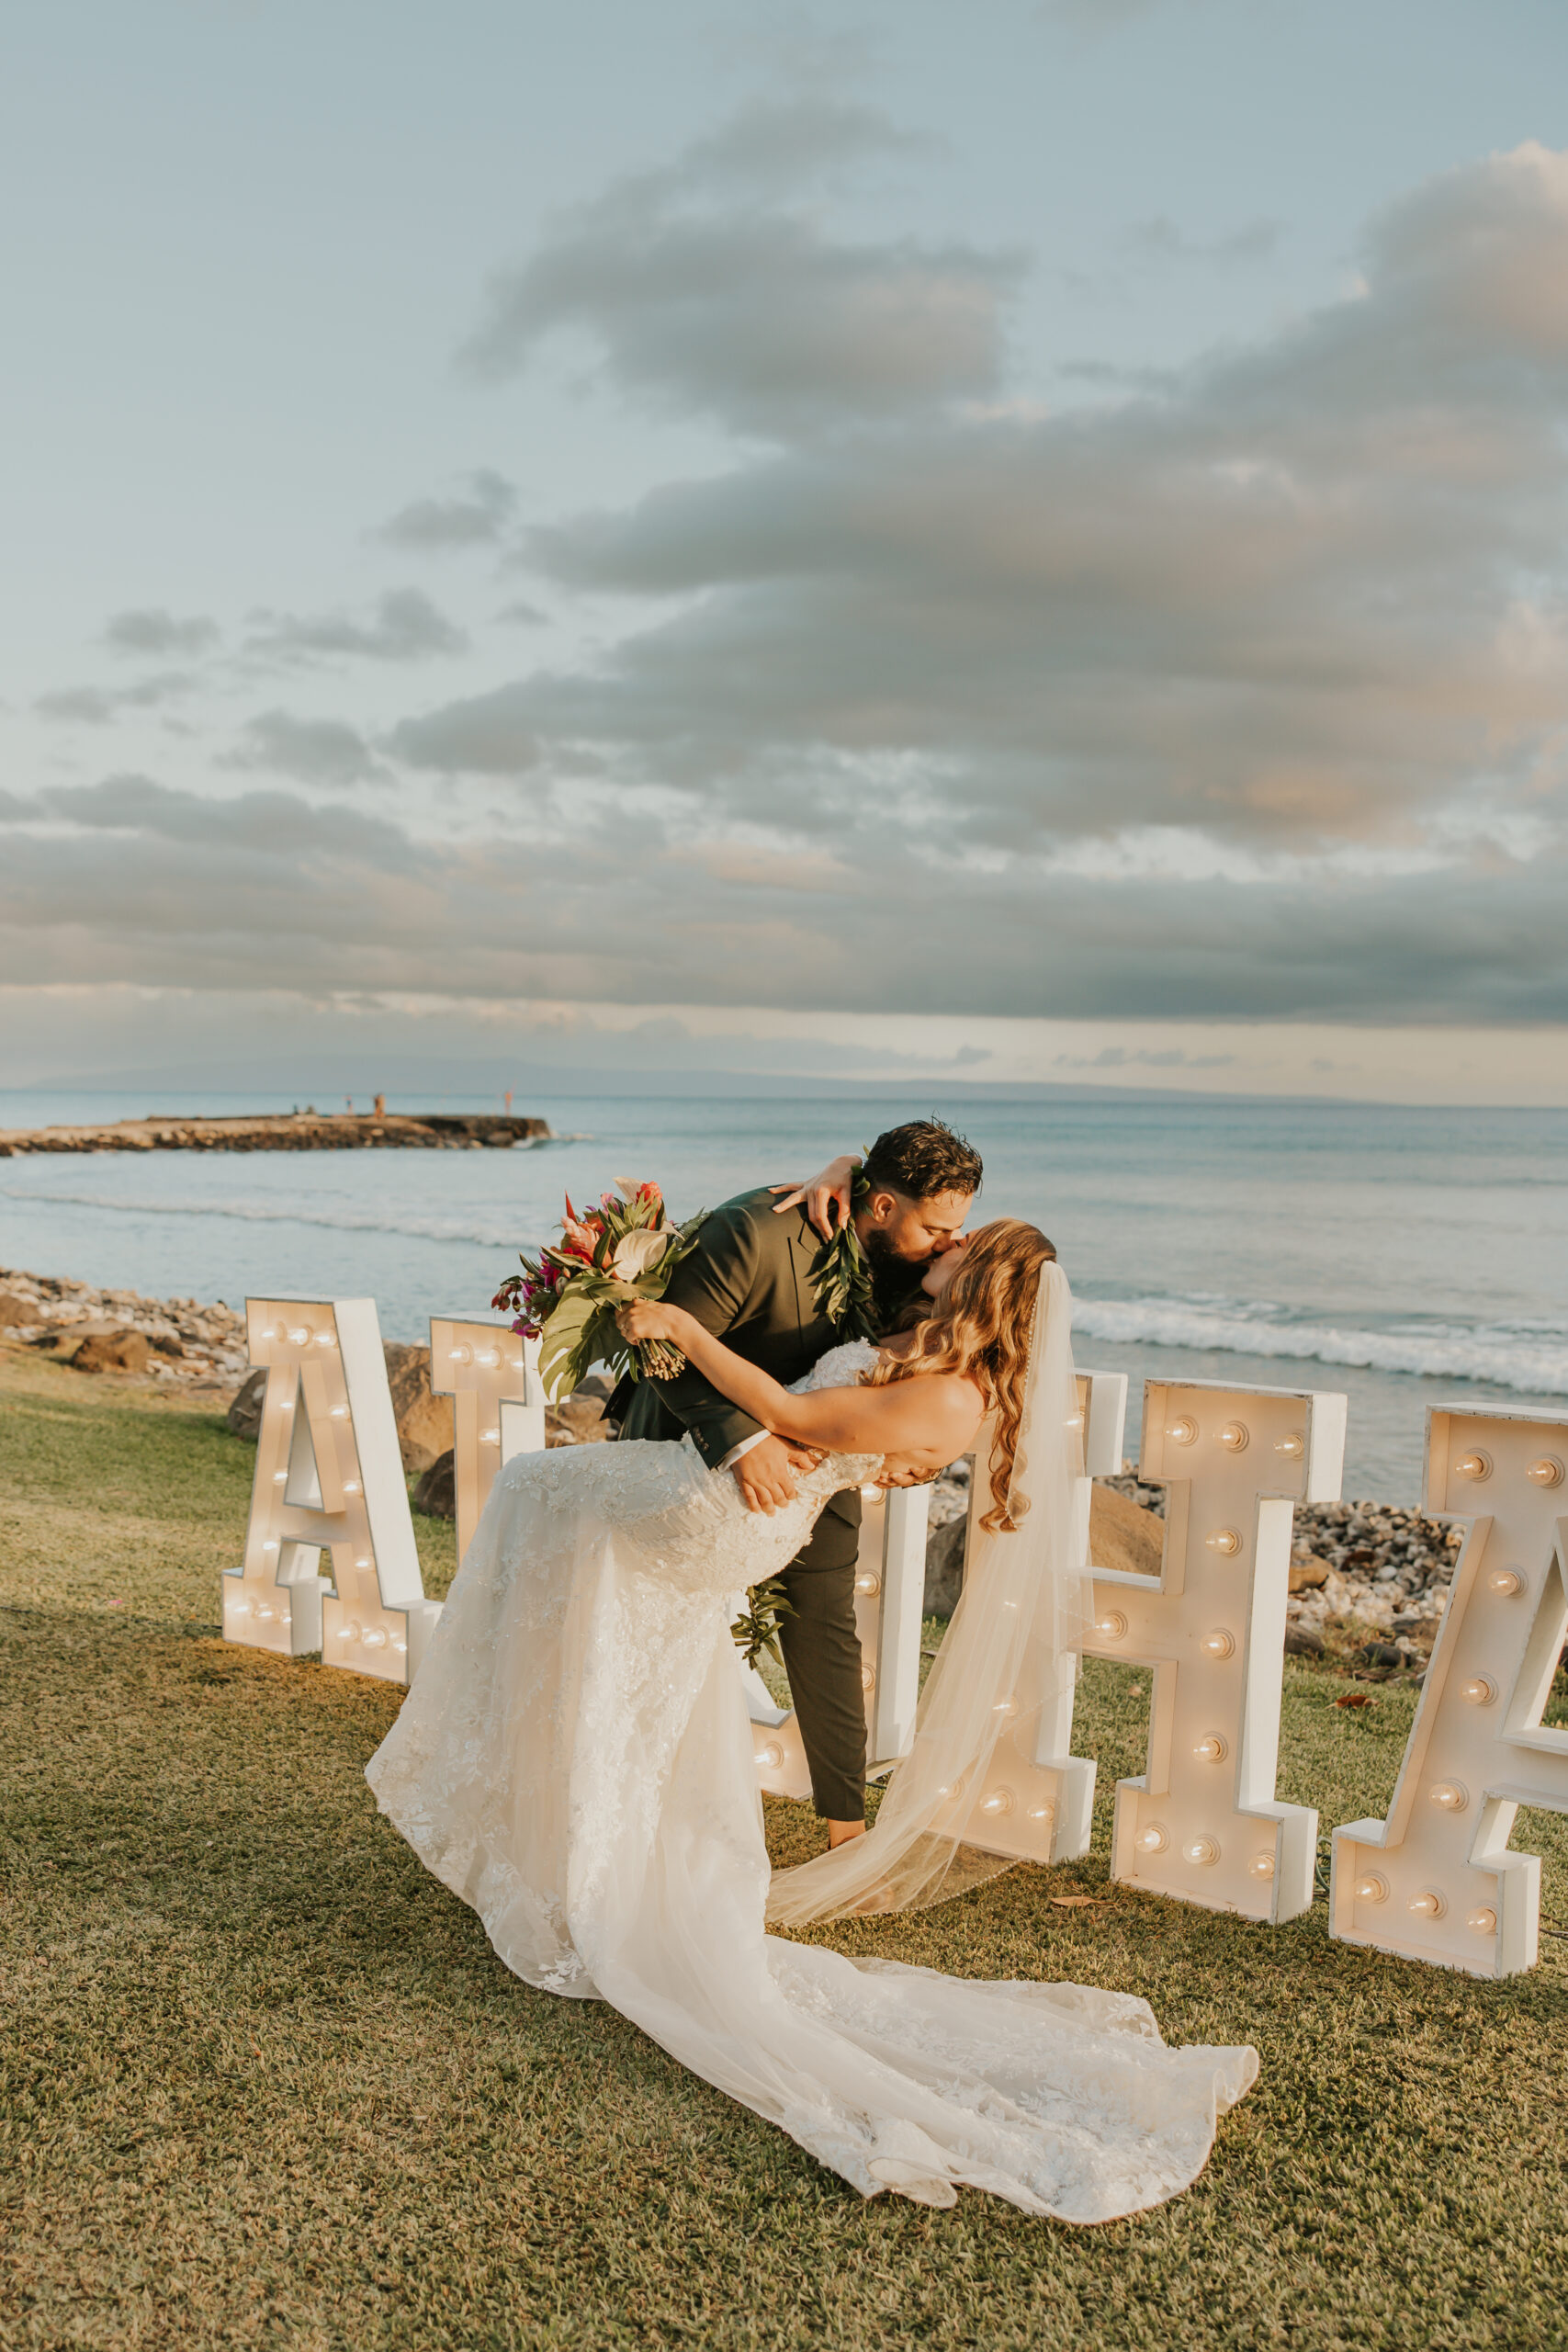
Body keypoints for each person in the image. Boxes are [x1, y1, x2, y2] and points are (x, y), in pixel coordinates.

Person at [367, 1216, 1258, 2220]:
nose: (945, 1246)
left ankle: (494, 1765)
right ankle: (564, 1823)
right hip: (734, 1493)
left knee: (531, 1487)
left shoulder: (948, 1393)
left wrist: (681, 1330)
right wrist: (833, 1185)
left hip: (728, 1510)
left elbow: (791, 1409)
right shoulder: (925, 1346)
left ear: (988, 1278)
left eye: (966, 1243)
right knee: (602, 1625)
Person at [609, 1120, 980, 1848]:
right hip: (686, 1449)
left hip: (818, 1462)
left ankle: (846, 1834)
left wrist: (907, 1446)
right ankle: (630, 1797)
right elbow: (661, 1339)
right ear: (881, 1207)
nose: (947, 1243)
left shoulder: (920, 1266)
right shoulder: (753, 1231)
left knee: (823, 1628)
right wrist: (741, 1442)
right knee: (648, 1622)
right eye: (935, 1226)